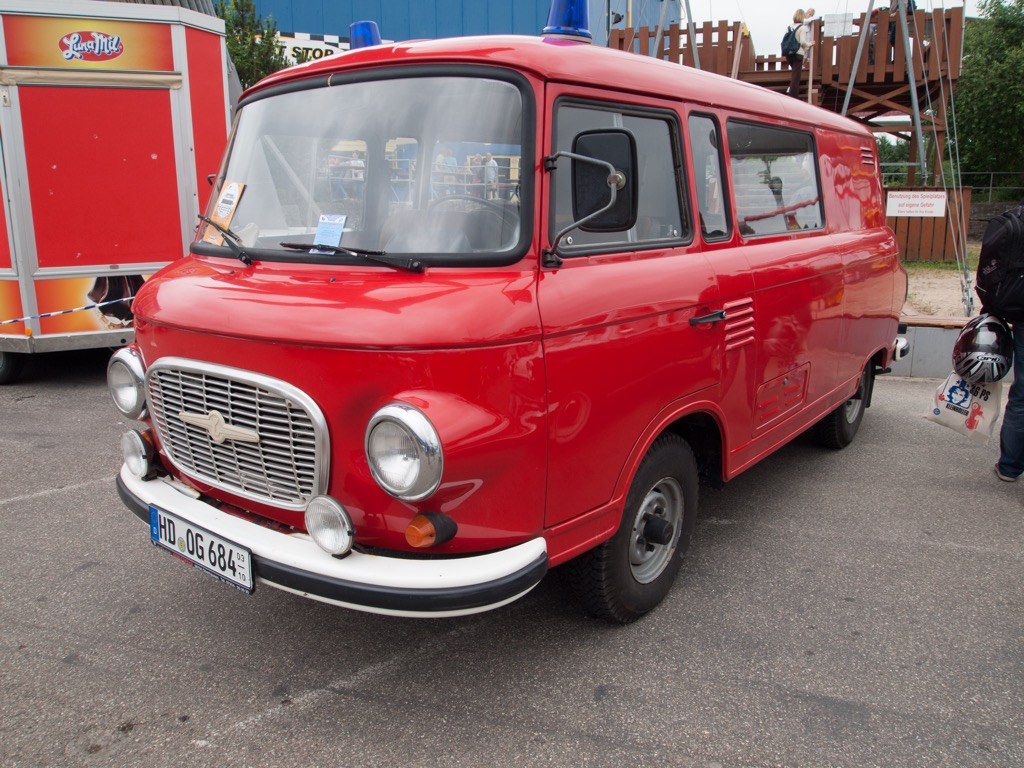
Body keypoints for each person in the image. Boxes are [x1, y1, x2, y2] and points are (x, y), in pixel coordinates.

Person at [784, 8, 815, 100]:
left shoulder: (789, 27)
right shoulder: (802, 28)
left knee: (794, 73)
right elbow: (802, 42)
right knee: (796, 77)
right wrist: (810, 44)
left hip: (788, 53)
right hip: (798, 53)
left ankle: (790, 89)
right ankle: (793, 96)